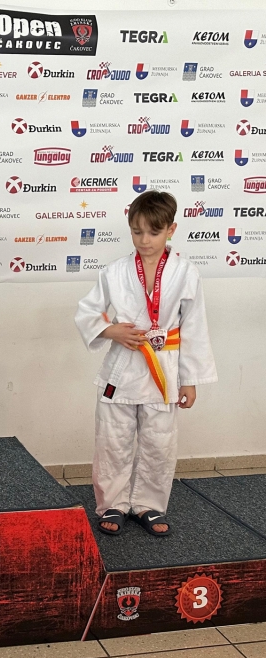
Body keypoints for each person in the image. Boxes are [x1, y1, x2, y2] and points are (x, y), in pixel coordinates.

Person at [75, 191, 217, 537]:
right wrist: (111, 330)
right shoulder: (115, 271)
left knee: (159, 441)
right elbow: (88, 311)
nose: (144, 240)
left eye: (154, 232)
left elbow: (194, 327)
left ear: (171, 230)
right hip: (122, 368)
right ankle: (113, 503)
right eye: (137, 232)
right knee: (112, 439)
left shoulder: (186, 273)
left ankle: (149, 504)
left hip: (163, 370)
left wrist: (190, 379)